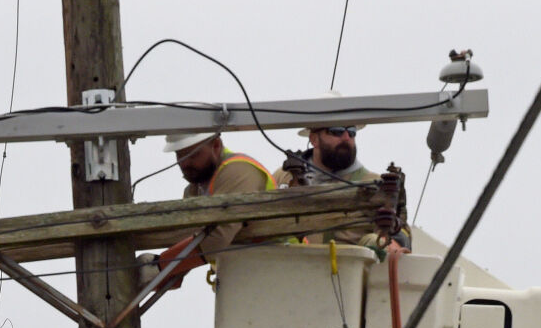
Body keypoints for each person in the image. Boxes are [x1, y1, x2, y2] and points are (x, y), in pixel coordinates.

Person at [154, 131, 278, 286]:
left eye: (193, 155)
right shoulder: (194, 191)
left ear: (216, 145)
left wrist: (160, 266)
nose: (185, 163)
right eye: (180, 156)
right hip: (245, 279)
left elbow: (217, 237)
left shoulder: (238, 171)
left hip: (285, 265)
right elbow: (190, 243)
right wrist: (163, 274)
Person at [274, 117, 409, 253]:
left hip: (351, 269)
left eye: (351, 132)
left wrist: (393, 242)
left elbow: (400, 231)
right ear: (314, 139)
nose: (346, 138)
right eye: (336, 131)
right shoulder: (284, 177)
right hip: (292, 266)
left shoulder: (375, 184)